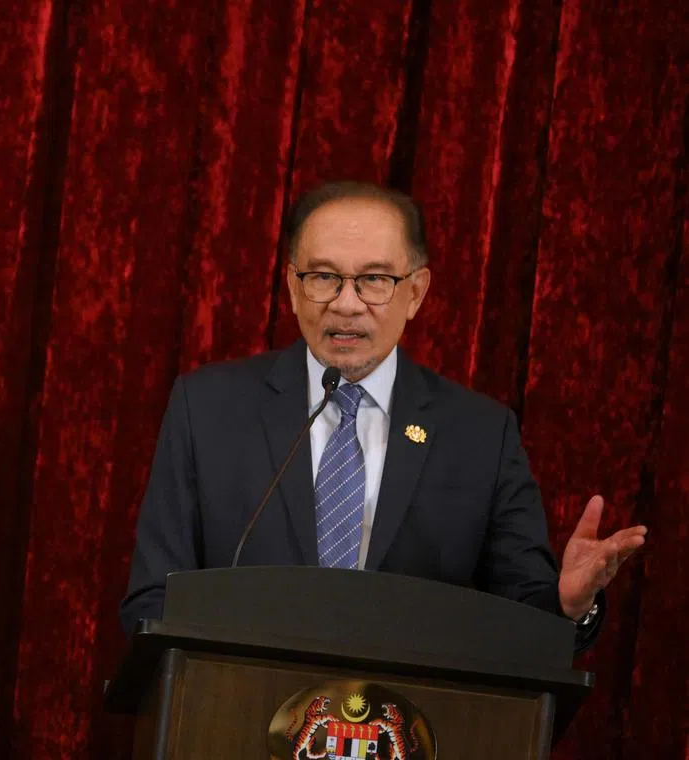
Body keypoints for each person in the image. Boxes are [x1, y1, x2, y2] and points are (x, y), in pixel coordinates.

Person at [120, 181, 646, 650]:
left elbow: (524, 619)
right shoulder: (208, 408)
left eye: (374, 280)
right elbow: (152, 600)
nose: (346, 305)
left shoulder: (481, 436)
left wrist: (569, 607)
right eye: (323, 277)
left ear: (416, 292)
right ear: (291, 286)